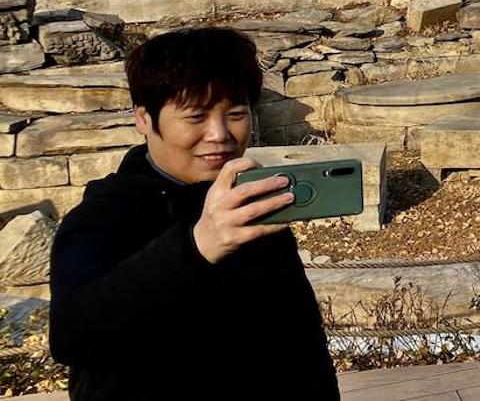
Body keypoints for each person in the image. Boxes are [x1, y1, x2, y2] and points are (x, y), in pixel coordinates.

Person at [49, 27, 339, 400]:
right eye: (196, 116)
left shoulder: (251, 204)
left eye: (235, 113)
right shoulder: (102, 219)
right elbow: (72, 336)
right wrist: (197, 246)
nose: (219, 134)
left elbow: (302, 344)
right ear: (143, 118)